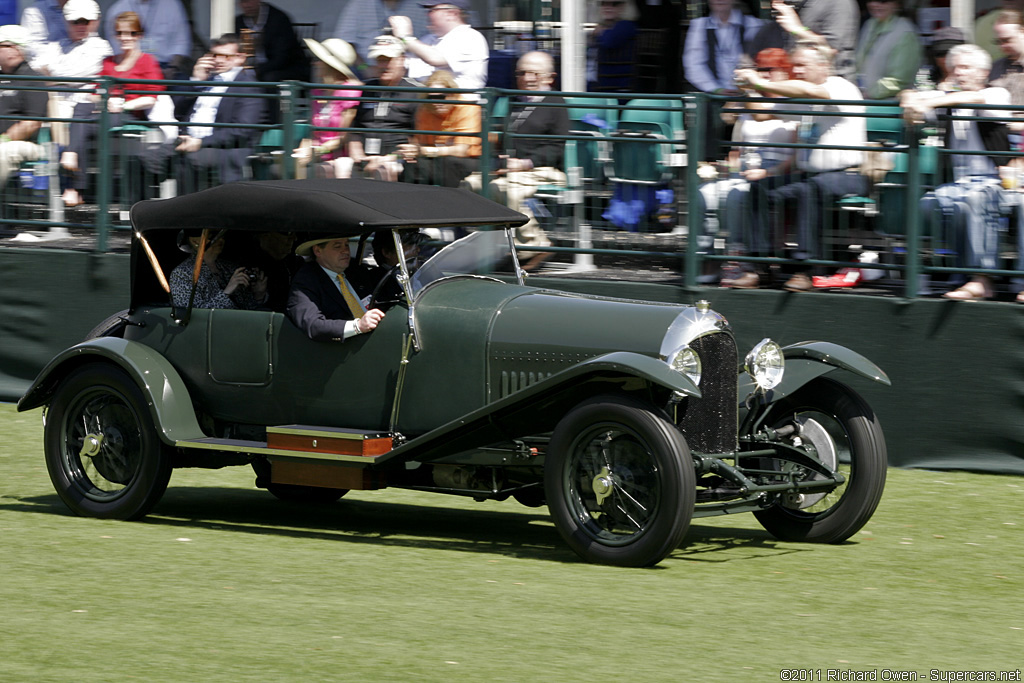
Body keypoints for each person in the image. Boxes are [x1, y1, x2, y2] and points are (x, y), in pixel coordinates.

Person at [734, 41, 867, 292]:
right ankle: (757, 267)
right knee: (760, 189)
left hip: (849, 176)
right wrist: (747, 86)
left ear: (823, 66)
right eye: (794, 66)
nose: (797, 70)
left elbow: (809, 91)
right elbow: (763, 112)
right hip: (812, 176)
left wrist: (761, 82)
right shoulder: (804, 96)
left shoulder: (839, 86)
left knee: (810, 188)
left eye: (802, 65)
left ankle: (805, 270)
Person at [902, 44, 1011, 301]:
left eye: (965, 67)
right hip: (959, 183)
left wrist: (933, 98)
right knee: (925, 204)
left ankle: (981, 279)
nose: (957, 72)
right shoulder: (949, 101)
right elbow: (915, 112)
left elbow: (974, 99)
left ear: (983, 72)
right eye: (955, 68)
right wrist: (910, 99)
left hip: (995, 182)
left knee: (973, 201)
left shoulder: (997, 92)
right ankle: (922, 277)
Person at [699, 48, 798, 289]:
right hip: (745, 171)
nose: (764, 74)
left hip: (778, 173)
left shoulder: (794, 99)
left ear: (784, 72)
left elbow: (767, 116)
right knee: (705, 193)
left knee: (736, 196)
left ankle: (738, 259)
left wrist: (767, 173)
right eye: (760, 69)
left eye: (770, 70)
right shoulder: (750, 100)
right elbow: (728, 118)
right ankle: (706, 259)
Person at [462, 51, 567, 266]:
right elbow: (500, 138)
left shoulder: (557, 104)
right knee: (470, 184)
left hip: (543, 169)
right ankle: (492, 245)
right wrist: (499, 156)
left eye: (534, 74)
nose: (527, 78)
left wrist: (523, 163)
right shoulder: (514, 103)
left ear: (549, 77)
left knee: (505, 190)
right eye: (522, 73)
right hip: (510, 169)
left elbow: (557, 148)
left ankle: (536, 245)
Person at [60, 10, 164, 207]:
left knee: (80, 121)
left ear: (139, 35)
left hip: (130, 115)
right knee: (82, 109)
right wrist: (105, 101)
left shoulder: (147, 61)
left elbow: (151, 97)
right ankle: (73, 167)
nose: (125, 38)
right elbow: (96, 93)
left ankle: (74, 180)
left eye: (131, 33)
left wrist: (123, 104)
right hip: (104, 114)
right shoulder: (109, 61)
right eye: (121, 33)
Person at [141, 33, 265, 193]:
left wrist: (200, 142)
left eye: (225, 56)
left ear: (239, 58)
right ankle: (141, 213)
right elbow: (178, 113)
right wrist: (196, 81)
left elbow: (242, 130)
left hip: (221, 148)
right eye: (215, 55)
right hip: (186, 142)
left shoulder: (248, 86)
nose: (219, 61)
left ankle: (184, 213)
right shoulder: (206, 81)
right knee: (142, 160)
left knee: (191, 160)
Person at [347, 34, 420, 182]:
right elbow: (354, 129)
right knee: (335, 167)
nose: (383, 65)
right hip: (364, 156)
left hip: (396, 158)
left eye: (388, 60)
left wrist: (392, 157)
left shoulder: (415, 92)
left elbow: (419, 137)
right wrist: (357, 153)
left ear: (402, 60)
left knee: (385, 170)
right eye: (380, 60)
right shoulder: (367, 88)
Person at [287, 235, 386, 342]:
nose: (346, 251)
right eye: (337, 246)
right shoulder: (306, 281)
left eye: (346, 245)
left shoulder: (356, 270)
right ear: (318, 251)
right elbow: (313, 325)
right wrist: (357, 326)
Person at [30, 0, 112, 122]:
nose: (81, 26)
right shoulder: (58, 45)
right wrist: (53, 77)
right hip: (54, 106)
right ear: (66, 21)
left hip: (82, 108)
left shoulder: (102, 47)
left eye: (85, 22)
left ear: (95, 22)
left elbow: (73, 76)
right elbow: (33, 68)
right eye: (75, 22)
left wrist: (49, 73)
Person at [398, 69, 480, 188]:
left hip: (469, 160)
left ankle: (450, 203)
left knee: (448, 163)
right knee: (413, 164)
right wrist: (412, 151)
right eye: (431, 97)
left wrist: (426, 151)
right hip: (436, 159)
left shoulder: (467, 108)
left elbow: (461, 151)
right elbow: (420, 143)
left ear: (452, 94)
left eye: (441, 96)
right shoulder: (425, 110)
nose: (436, 102)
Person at [292, 38, 361, 179]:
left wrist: (317, 151)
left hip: (338, 157)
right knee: (288, 165)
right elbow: (311, 134)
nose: (313, 63)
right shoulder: (317, 92)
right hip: (316, 155)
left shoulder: (350, 92)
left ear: (330, 65)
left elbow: (343, 138)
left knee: (319, 170)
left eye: (318, 59)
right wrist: (302, 148)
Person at [746, 0, 859, 82]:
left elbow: (832, 49)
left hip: (829, 90)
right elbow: (751, 61)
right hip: (792, 91)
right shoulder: (778, 19)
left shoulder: (839, 3)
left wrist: (797, 29)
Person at [388, 0, 487, 90]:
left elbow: (436, 59)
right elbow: (403, 67)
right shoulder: (427, 39)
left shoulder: (470, 37)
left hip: (460, 104)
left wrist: (406, 37)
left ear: (452, 13)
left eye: (432, 10)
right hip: (424, 102)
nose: (427, 15)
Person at [169, 230, 268, 310]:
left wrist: (258, 294)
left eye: (222, 236)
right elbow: (192, 315)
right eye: (212, 236)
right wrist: (227, 292)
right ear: (194, 241)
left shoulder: (230, 268)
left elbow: (248, 311)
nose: (220, 240)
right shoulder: (183, 273)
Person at [0, 24, 48, 183]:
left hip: (23, 144)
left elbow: (31, 124)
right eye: (3, 46)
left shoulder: (33, 80)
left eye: (2, 45)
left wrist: (4, 139)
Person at [102, 0, 190, 77]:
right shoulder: (118, 8)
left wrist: (172, 68)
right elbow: (115, 46)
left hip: (167, 65)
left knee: (185, 90)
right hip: (131, 66)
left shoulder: (172, 5)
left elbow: (181, 42)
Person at [332, 0, 428, 71]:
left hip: (409, 70)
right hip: (364, 70)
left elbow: (429, 43)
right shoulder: (359, 4)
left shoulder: (420, 5)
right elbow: (344, 44)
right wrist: (364, 68)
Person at [854, 0, 922, 100]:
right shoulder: (869, 25)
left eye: (883, 1)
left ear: (896, 4)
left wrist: (870, 93)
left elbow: (900, 80)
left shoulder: (906, 32)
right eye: (869, 0)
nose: (874, 4)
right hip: (863, 101)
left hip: (888, 105)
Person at [235, 0, 310, 82]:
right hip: (254, 68)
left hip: (287, 68)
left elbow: (283, 57)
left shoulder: (278, 19)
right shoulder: (239, 21)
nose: (247, 5)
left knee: (268, 78)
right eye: (243, 2)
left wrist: (255, 71)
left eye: (251, 1)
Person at [347, 228, 424, 303]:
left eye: (416, 245)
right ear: (387, 253)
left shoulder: (422, 274)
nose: (418, 250)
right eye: (410, 245)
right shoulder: (375, 283)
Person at [588, 0, 638, 93]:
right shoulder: (604, 26)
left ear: (623, 7)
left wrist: (600, 32)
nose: (608, 7)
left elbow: (610, 42)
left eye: (614, 4)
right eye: (603, 3)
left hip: (613, 83)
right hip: (598, 79)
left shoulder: (626, 25)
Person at [988, 11, 1024, 85]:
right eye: (998, 41)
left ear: (1022, 32)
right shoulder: (995, 67)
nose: (1002, 46)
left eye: (1007, 40)